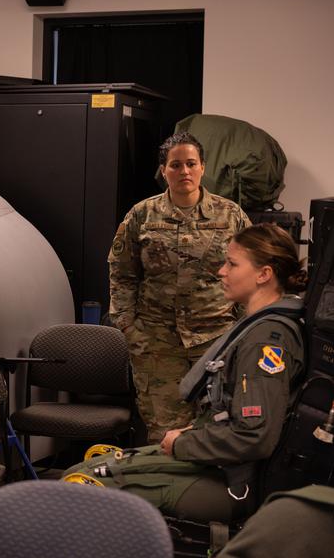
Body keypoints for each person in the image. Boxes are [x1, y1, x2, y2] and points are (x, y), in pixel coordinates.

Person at [64, 224, 307, 522]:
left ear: (263, 274)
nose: (221, 272)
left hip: (235, 481)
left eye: (232, 264)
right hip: (221, 463)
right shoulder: (260, 326)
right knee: (89, 466)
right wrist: (190, 434)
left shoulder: (265, 341)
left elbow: (255, 437)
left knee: (77, 487)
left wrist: (183, 444)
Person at [109, 131, 252, 443]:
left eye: (191, 163)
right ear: (164, 171)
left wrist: (242, 328)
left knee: (219, 425)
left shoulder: (231, 216)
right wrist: (128, 327)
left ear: (202, 167)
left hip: (216, 338)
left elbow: (250, 275)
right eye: (176, 165)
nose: (184, 171)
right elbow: (122, 273)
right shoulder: (142, 215)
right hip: (157, 342)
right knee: (163, 432)